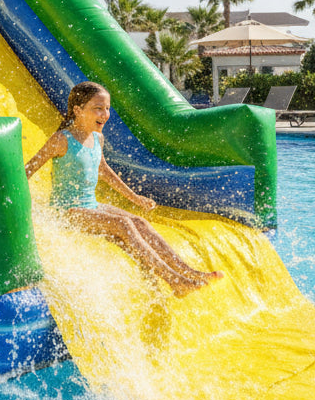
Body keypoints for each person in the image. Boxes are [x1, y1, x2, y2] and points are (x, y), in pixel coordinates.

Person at [24, 82, 223, 297]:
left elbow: (104, 170)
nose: (105, 114)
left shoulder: (97, 138)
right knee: (124, 224)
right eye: (98, 108)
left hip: (91, 207)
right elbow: (29, 169)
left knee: (140, 222)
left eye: (107, 108)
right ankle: (176, 281)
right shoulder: (62, 140)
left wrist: (135, 198)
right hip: (67, 212)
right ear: (77, 110)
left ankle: (189, 272)